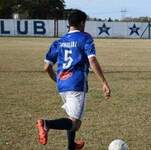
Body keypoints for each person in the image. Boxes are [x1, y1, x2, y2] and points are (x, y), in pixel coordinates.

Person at [36, 10, 111, 150]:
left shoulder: (59, 41)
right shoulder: (85, 38)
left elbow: (46, 67)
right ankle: (47, 124)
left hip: (62, 85)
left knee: (71, 116)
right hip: (76, 84)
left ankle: (71, 146)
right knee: (75, 124)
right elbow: (92, 60)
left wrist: (57, 79)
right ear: (82, 23)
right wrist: (104, 82)